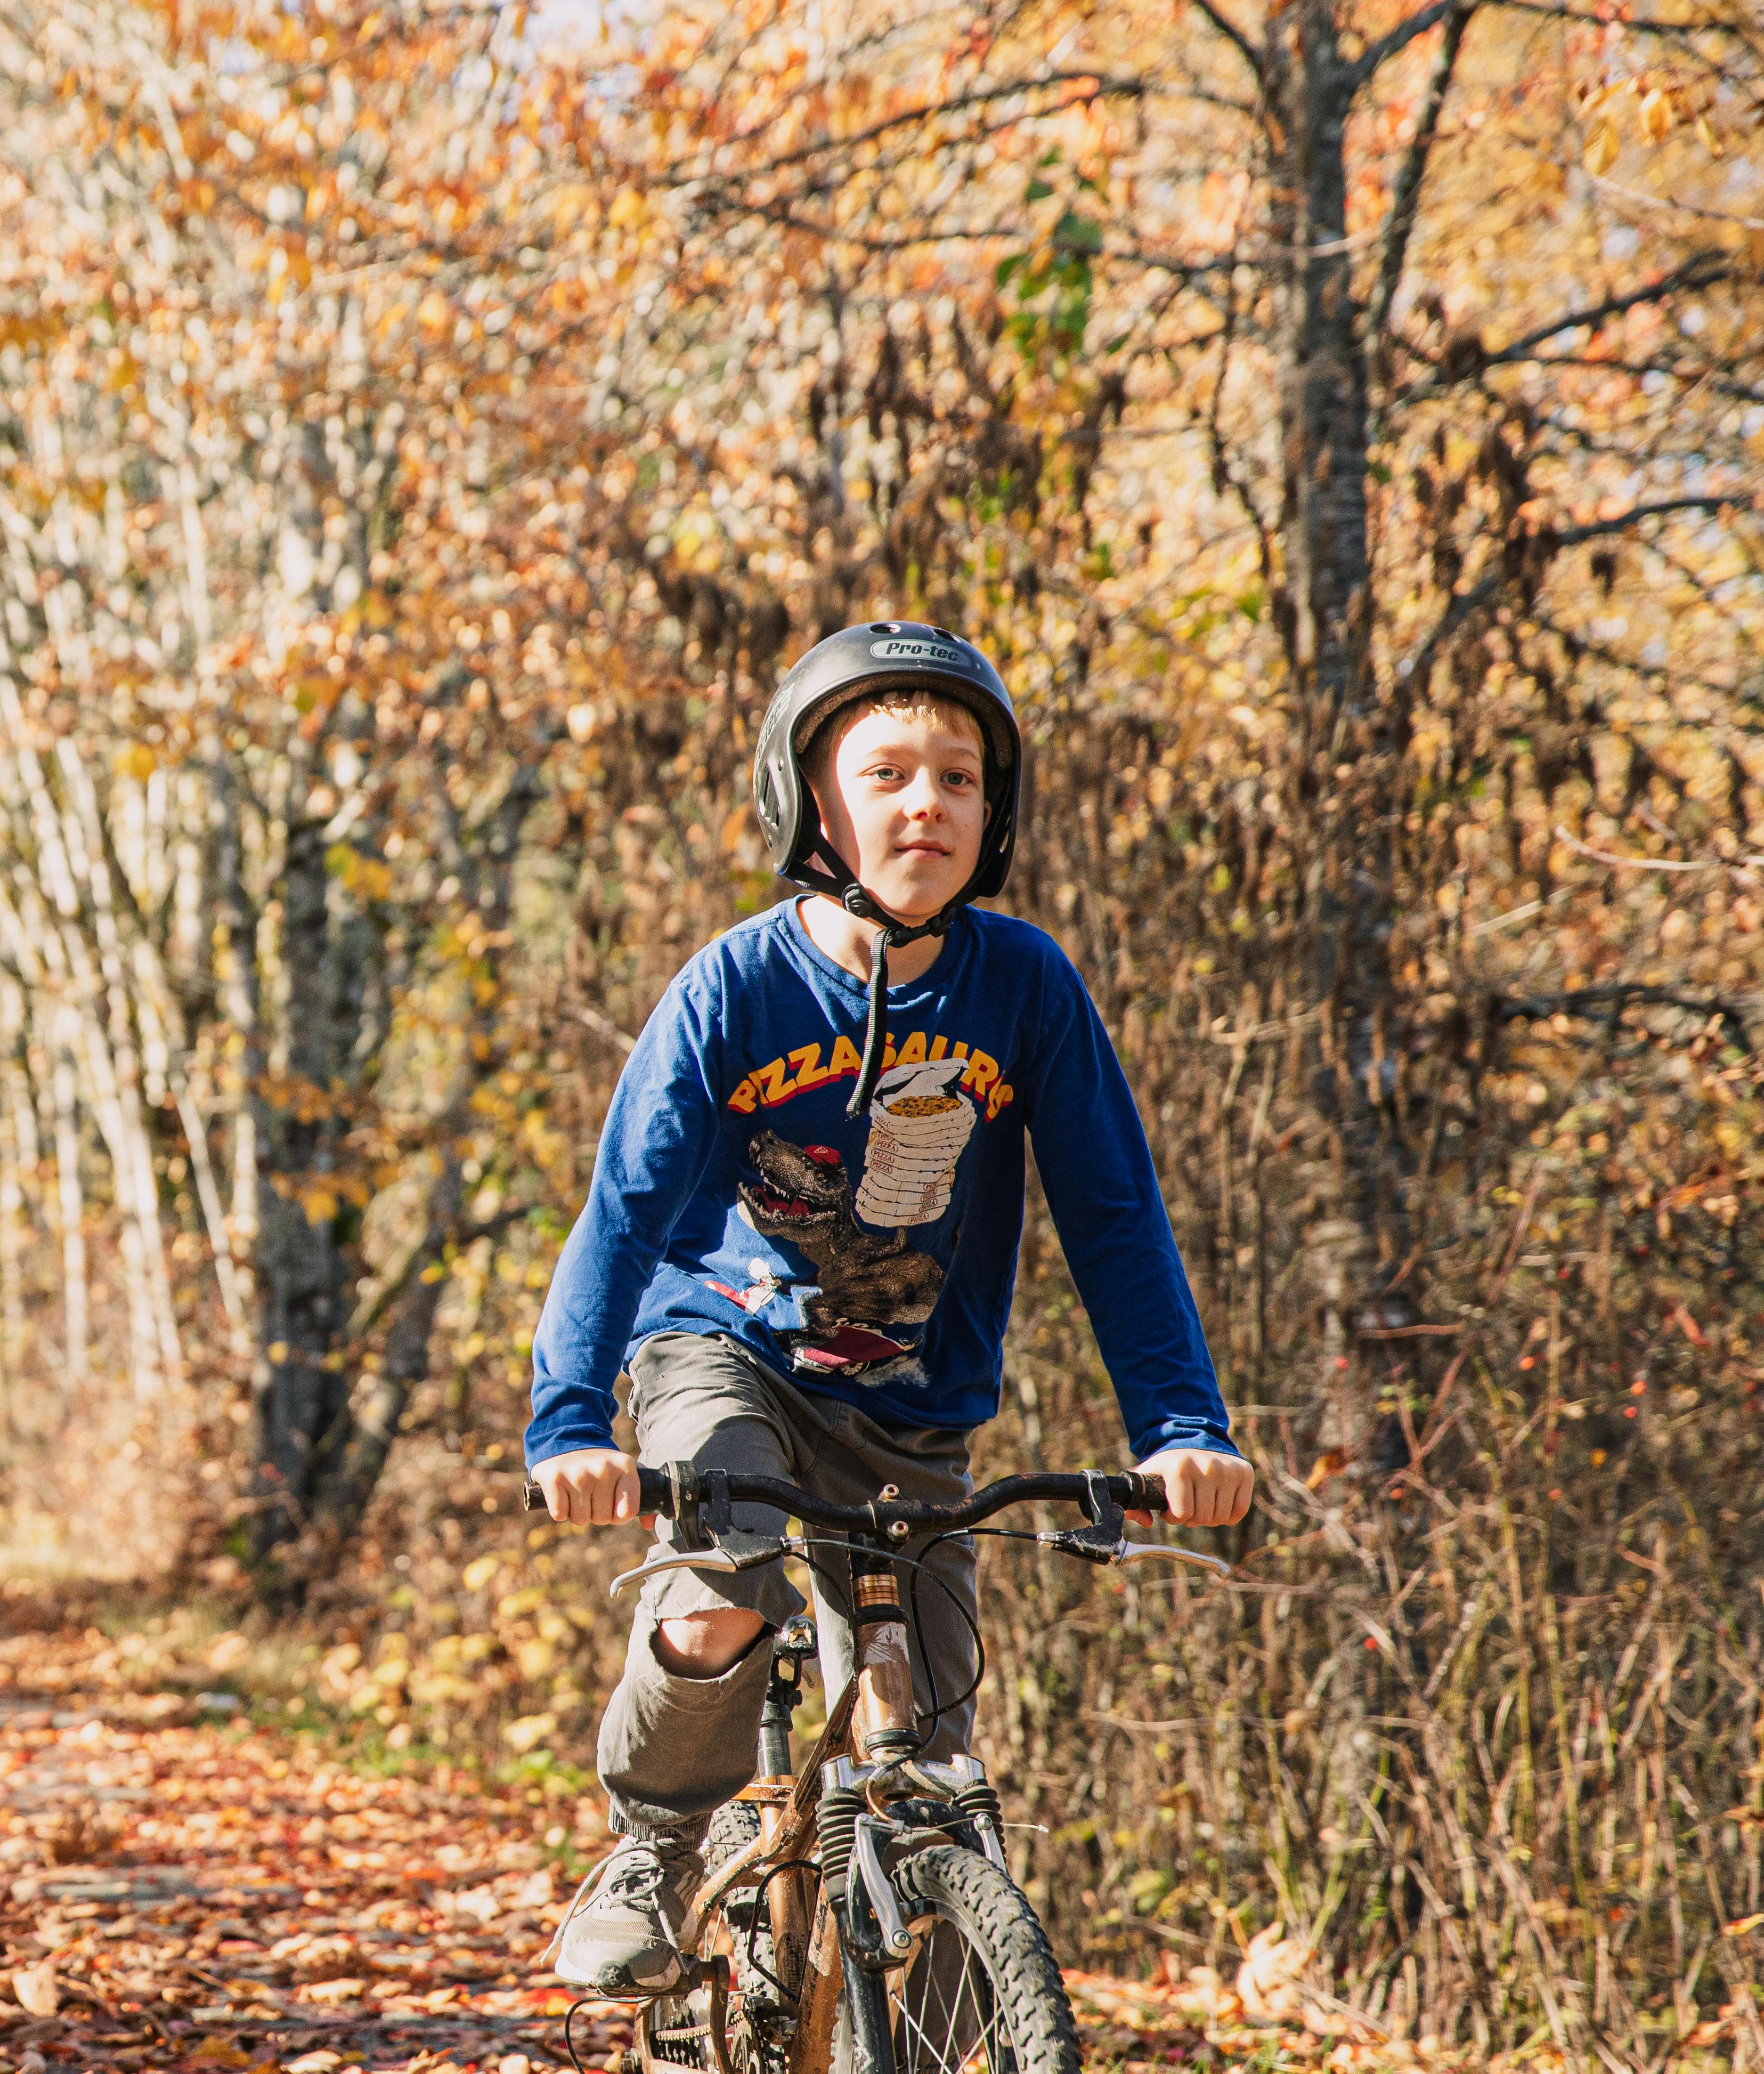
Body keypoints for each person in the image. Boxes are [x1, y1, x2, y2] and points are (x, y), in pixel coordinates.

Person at [524, 619, 1257, 1995]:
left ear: (998, 812)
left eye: (961, 778)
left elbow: (1114, 1219)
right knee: (722, 1585)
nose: (928, 801)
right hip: (724, 1351)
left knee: (915, 1750)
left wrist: (1179, 1428)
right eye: (888, 774)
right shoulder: (735, 990)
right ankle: (656, 1844)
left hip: (914, 1401)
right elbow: (622, 1212)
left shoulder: (1024, 987)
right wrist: (569, 1425)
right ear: (814, 807)